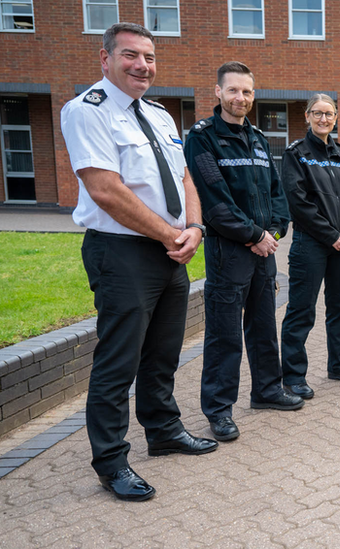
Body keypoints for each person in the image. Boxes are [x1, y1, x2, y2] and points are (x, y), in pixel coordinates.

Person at [60, 22, 217, 502]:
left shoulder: (161, 114)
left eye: (148, 57)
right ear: (105, 59)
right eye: (130, 55)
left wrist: (195, 228)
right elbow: (106, 190)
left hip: (171, 248)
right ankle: (111, 462)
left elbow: (185, 177)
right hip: (121, 252)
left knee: (163, 352)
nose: (142, 65)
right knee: (118, 361)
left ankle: (164, 430)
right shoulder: (86, 111)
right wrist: (175, 234)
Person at [183, 61, 303, 443]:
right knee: (224, 335)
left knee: (264, 326)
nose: (240, 98)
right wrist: (253, 235)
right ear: (217, 92)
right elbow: (213, 200)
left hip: (263, 250)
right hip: (229, 251)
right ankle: (219, 410)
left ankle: (267, 390)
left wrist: (275, 229)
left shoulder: (257, 138)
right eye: (233, 90)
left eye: (247, 91)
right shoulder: (202, 138)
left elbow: (275, 191)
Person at [279, 94, 340, 397]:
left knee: (339, 307)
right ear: (306, 116)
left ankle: (339, 364)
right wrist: (332, 235)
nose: (323, 119)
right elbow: (298, 202)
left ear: (336, 117)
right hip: (311, 244)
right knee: (301, 311)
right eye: (317, 113)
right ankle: (292, 376)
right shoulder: (297, 154)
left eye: (329, 114)